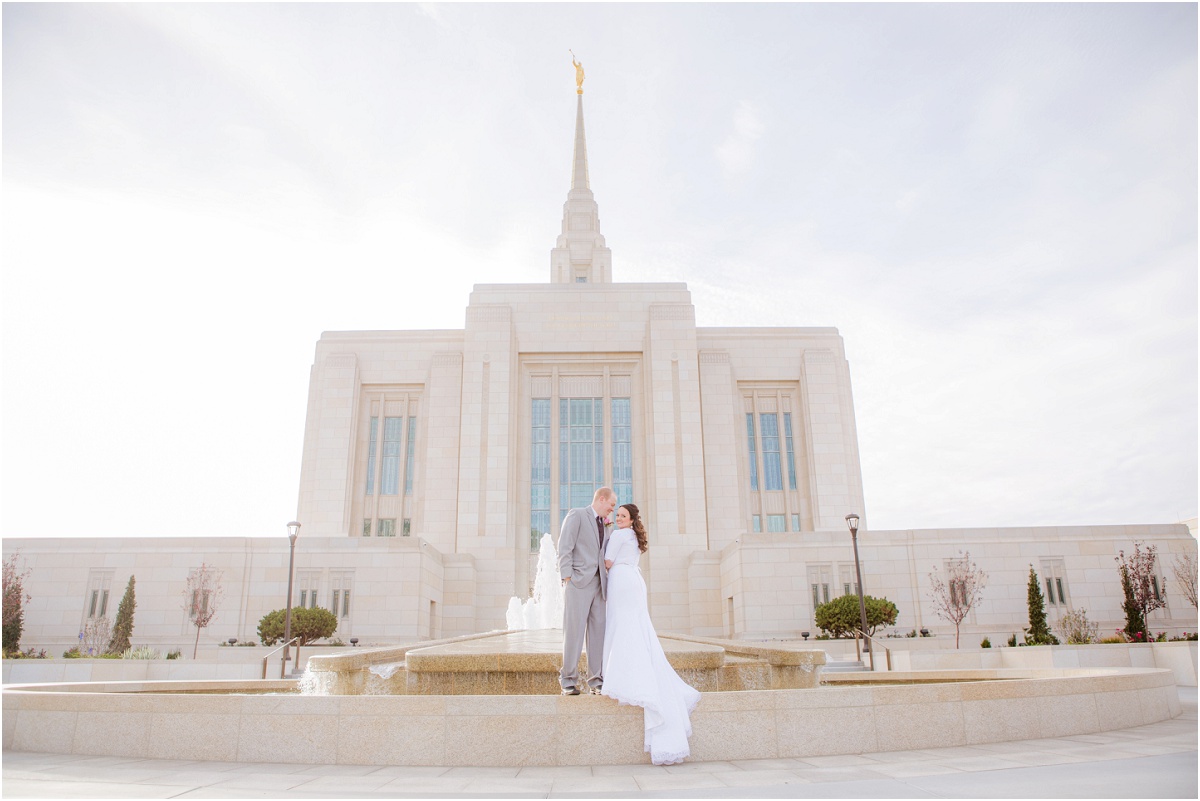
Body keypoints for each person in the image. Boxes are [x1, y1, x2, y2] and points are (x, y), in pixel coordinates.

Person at [601, 504, 701, 765]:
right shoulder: (634, 535)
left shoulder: (620, 535)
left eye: (622, 515)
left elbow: (608, 562)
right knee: (637, 627)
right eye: (617, 515)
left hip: (621, 580)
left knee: (621, 626)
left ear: (631, 519)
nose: (618, 518)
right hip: (634, 581)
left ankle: (622, 675)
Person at [558, 487, 616, 695]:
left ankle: (596, 680)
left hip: (600, 586)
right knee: (573, 632)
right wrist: (567, 577)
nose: (612, 509)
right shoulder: (577, 515)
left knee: (598, 633)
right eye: (611, 504)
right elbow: (565, 546)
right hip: (578, 583)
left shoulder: (607, 525)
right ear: (602, 499)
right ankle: (568, 680)